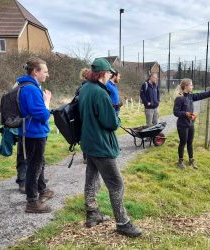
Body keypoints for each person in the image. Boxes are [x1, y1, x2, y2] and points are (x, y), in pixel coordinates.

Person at [79, 58, 142, 237]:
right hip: (101, 144)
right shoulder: (100, 93)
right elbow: (111, 123)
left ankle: (92, 214)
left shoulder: (85, 88)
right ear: (103, 74)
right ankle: (123, 223)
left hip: (89, 142)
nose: (110, 75)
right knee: (116, 183)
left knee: (91, 178)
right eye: (109, 73)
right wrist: (117, 117)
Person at [17, 57, 54, 213]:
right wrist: (47, 101)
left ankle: (42, 190)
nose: (47, 74)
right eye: (44, 71)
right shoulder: (31, 89)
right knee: (34, 165)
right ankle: (32, 202)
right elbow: (42, 115)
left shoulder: (27, 86)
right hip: (33, 133)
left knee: (39, 162)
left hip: (32, 131)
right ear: (35, 72)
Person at [173, 78, 210, 169]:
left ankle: (191, 160)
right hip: (182, 125)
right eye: (191, 85)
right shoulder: (179, 99)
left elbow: (202, 95)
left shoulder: (190, 96)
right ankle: (180, 161)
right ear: (186, 87)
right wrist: (186, 114)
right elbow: (176, 112)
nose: (192, 86)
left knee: (190, 143)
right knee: (183, 143)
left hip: (190, 124)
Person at [79, 67, 90, 164]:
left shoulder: (80, 87)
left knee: (84, 136)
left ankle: (85, 156)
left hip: (81, 114)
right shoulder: (89, 87)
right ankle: (88, 156)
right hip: (87, 114)